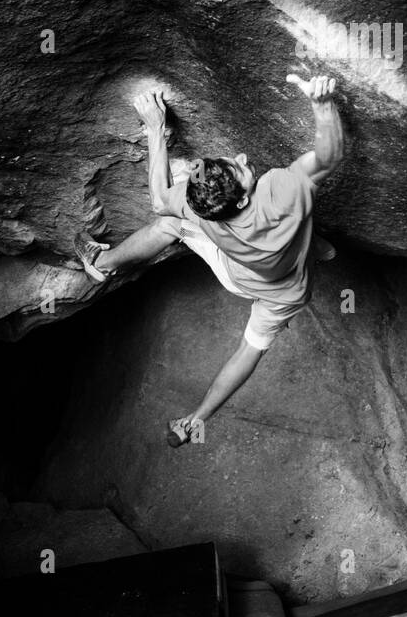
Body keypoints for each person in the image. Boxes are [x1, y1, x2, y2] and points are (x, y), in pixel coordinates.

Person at [73, 74, 344, 447]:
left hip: (241, 275)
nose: (242, 158)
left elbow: (158, 199)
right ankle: (314, 248)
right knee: (256, 338)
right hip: (286, 292)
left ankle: (193, 420)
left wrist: (156, 129)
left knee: (169, 224)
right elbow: (330, 156)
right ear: (246, 199)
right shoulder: (280, 191)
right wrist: (322, 104)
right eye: (241, 168)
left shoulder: (200, 211)